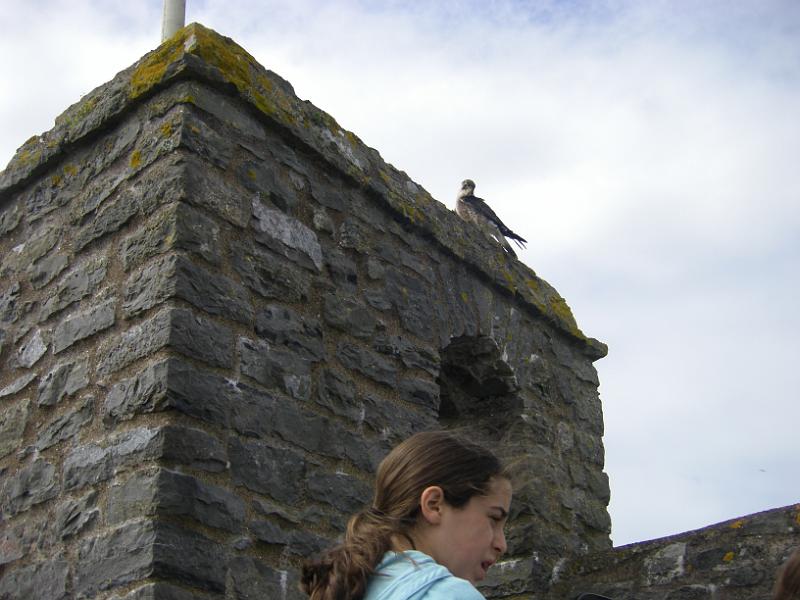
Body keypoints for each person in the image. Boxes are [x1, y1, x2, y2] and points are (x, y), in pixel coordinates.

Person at [301, 430, 512, 600]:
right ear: (434, 505)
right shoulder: (450, 595)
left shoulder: (349, 589)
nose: (502, 545)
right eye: (493, 518)